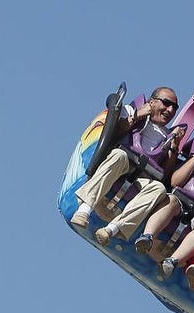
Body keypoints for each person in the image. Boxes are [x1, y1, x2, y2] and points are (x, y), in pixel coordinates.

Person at [70, 86, 184, 245]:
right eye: (166, 103)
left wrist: (173, 146)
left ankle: (112, 229)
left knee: (159, 188)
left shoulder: (167, 135)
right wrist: (137, 116)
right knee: (120, 155)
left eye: (174, 107)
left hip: (142, 175)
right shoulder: (132, 111)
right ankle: (84, 210)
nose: (170, 110)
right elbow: (113, 133)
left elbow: (164, 173)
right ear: (152, 102)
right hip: (121, 161)